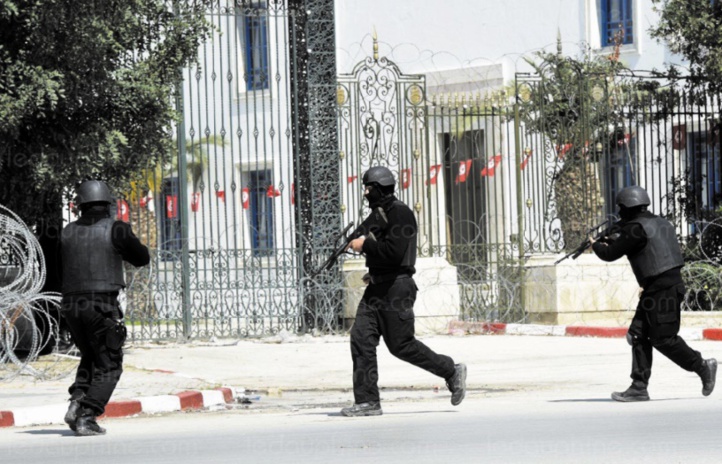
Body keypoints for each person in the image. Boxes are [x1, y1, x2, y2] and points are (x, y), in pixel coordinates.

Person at [341, 166, 466, 416]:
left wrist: (364, 246)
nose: (366, 193)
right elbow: (374, 242)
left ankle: (451, 370)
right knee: (360, 338)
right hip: (378, 287)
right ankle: (367, 401)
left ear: (378, 189)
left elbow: (395, 252)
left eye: (368, 189)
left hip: (397, 289)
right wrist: (369, 263)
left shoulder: (401, 213)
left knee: (401, 346)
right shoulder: (380, 213)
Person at [590, 185, 716, 402]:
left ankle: (702, 366)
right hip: (657, 289)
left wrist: (596, 245)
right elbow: (638, 245)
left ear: (627, 207)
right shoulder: (660, 222)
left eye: (621, 208)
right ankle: (638, 387)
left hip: (663, 291)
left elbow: (610, 253)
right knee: (638, 334)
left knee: (664, 339)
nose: (620, 213)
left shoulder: (635, 229)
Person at [60, 180, 150, 435]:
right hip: (101, 305)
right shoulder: (116, 229)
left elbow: (59, 271)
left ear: (80, 206)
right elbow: (142, 258)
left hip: (71, 306)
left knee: (90, 355)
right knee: (110, 363)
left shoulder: (67, 232)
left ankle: (77, 401)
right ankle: (87, 415)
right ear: (108, 204)